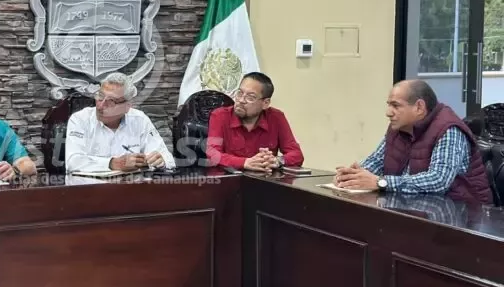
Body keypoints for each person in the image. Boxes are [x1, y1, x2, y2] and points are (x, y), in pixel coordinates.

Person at [334, 79, 492, 204]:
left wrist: (381, 182)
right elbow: (376, 161)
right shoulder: (399, 127)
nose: (388, 113)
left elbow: (438, 180)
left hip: (462, 215)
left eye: (396, 106)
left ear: (419, 107)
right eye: (389, 105)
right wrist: (352, 177)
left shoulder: (449, 129)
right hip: (418, 208)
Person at [65, 72, 175, 173]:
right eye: (100, 96)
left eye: (111, 101)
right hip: (91, 187)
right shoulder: (80, 119)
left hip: (131, 186)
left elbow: (168, 159)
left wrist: (160, 160)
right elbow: (73, 162)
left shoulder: (139, 120)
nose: (100, 106)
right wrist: (112, 163)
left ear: (127, 106)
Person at [206, 72, 303, 173]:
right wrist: (245, 162)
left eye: (250, 97)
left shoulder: (276, 117)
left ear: (265, 103)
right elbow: (212, 154)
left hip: (265, 179)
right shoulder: (220, 116)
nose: (241, 100)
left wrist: (276, 161)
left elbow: (297, 155)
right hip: (230, 178)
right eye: (239, 93)